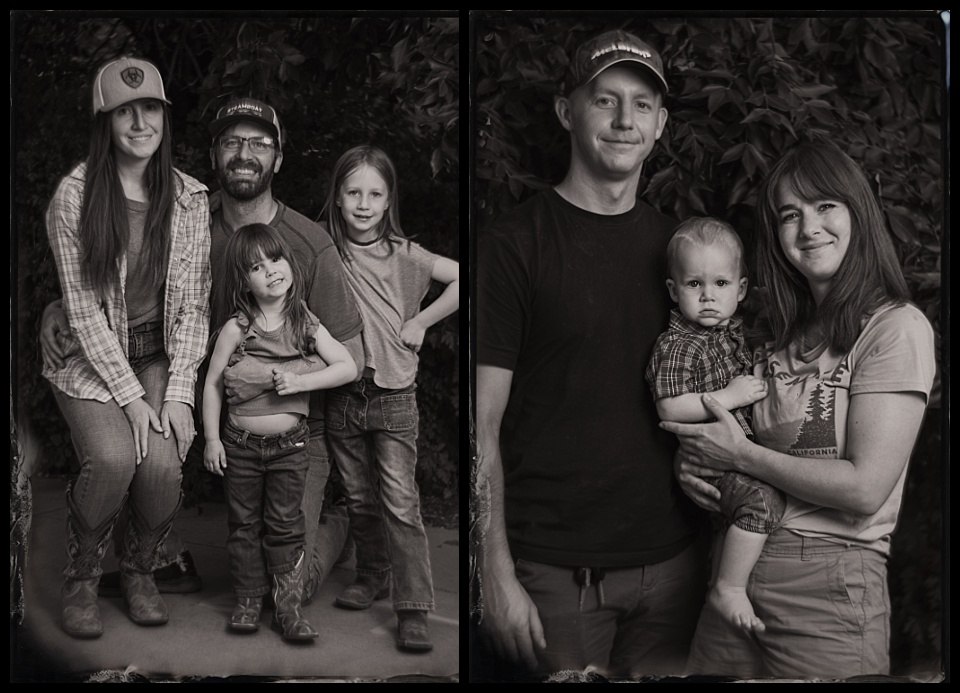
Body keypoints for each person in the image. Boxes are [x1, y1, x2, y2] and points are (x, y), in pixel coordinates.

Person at [40, 97, 364, 606]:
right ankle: (157, 556)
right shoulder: (186, 214)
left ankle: (338, 524)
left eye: (259, 143)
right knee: (138, 455)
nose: (245, 153)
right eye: (232, 141)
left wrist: (276, 378)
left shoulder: (307, 244)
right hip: (212, 413)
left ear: (278, 159)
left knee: (286, 591)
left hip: (293, 426)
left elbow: (352, 360)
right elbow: (122, 283)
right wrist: (58, 306)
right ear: (214, 154)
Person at [476, 30, 708, 679]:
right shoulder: (514, 244)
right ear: (566, 110)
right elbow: (482, 422)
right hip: (556, 578)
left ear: (662, 123)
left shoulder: (682, 254)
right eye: (605, 100)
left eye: (642, 104)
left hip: (674, 573)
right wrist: (492, 570)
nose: (625, 120)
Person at [663, 142, 936, 679]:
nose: (809, 227)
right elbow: (733, 436)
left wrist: (739, 456)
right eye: (791, 214)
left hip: (830, 587)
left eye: (825, 205)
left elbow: (864, 488)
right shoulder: (775, 332)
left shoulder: (895, 329)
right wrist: (697, 464)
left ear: (859, 211)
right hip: (734, 572)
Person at [42, 56, 210, 638]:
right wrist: (134, 398)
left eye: (150, 110)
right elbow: (83, 311)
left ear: (164, 116)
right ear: (104, 122)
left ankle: (140, 568)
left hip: (160, 353)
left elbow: (194, 307)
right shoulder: (75, 195)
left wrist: (180, 393)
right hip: (94, 355)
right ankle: (83, 576)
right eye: (124, 113)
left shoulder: (189, 198)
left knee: (162, 463)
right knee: (114, 459)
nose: (140, 123)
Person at [320, 145, 460, 651]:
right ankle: (373, 572)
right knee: (358, 495)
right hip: (343, 395)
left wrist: (421, 320)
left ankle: (413, 607)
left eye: (374, 193)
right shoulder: (325, 253)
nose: (363, 202)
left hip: (394, 395)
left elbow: (464, 279)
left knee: (400, 501)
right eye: (353, 192)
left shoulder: (404, 254)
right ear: (337, 198)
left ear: (387, 201)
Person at [203, 223, 357, 640]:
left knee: (286, 525)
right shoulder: (238, 327)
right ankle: (249, 600)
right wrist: (213, 439)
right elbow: (214, 383)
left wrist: (302, 382)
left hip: (290, 447)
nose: (271, 270)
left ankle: (287, 609)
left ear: (290, 263)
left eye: (276, 259)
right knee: (245, 524)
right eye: (257, 266)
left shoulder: (303, 320)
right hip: (240, 445)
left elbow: (347, 366)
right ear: (243, 280)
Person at [645, 217, 776, 634]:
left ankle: (721, 577)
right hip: (712, 459)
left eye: (720, 284)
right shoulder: (677, 344)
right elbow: (669, 407)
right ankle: (728, 588)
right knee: (761, 500)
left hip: (733, 453)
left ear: (740, 290)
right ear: (673, 290)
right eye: (694, 284)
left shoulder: (732, 332)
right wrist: (731, 397)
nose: (707, 297)